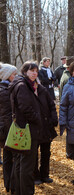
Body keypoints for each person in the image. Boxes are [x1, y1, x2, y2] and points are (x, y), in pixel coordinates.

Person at [9, 61, 42, 195]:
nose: (34, 73)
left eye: (36, 71)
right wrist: (38, 119)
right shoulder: (23, 86)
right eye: (31, 70)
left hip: (22, 128)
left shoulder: (22, 84)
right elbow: (25, 108)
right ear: (24, 71)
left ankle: (18, 190)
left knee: (20, 162)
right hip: (27, 130)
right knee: (27, 165)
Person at [34, 78, 58, 185]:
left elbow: (52, 105)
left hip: (46, 126)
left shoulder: (43, 90)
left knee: (46, 152)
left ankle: (45, 175)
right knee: (34, 154)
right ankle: (35, 176)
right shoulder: (26, 91)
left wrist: (54, 119)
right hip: (34, 128)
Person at [0, 63, 17, 193]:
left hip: (6, 127)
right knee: (10, 157)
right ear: (7, 75)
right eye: (13, 74)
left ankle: (9, 184)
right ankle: (11, 183)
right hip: (6, 128)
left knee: (7, 156)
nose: (15, 76)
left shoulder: (8, 88)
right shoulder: (5, 91)